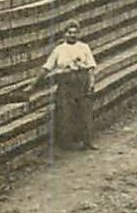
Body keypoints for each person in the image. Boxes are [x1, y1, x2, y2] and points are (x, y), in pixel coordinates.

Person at [40, 21, 98, 151]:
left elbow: (91, 67)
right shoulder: (59, 49)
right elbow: (47, 66)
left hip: (82, 81)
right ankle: (67, 143)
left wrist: (92, 83)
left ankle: (87, 141)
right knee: (66, 113)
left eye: (75, 32)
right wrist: (33, 84)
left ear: (79, 33)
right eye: (69, 32)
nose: (72, 35)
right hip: (66, 83)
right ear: (65, 34)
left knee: (85, 113)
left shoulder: (84, 47)